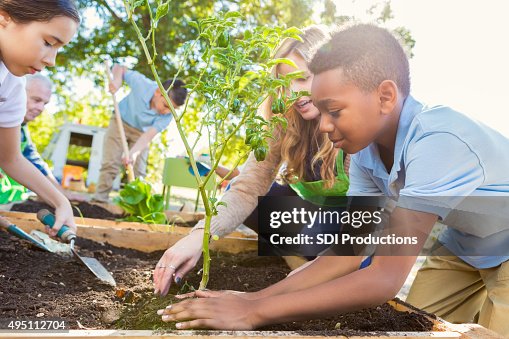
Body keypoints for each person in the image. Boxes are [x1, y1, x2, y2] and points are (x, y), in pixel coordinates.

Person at [157, 24, 509, 337]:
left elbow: (386, 276)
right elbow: (345, 254)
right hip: (464, 245)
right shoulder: (367, 155)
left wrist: (253, 312)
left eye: (334, 111)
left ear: (385, 96)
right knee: (417, 322)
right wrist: (253, 297)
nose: (324, 125)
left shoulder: (438, 141)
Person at [154, 26, 351, 297]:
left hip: (351, 225)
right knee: (253, 197)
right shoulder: (284, 123)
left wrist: (323, 269)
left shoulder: (353, 125)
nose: (294, 93)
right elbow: (248, 187)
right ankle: (296, 256)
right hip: (312, 222)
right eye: (285, 83)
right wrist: (198, 237)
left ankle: (311, 261)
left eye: (303, 78)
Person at [0, 0, 80, 236]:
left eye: (58, 49)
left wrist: (60, 202)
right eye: (48, 43)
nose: (51, 60)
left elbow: (10, 158)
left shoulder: (12, 85)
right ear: (4, 17)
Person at [92, 64, 188, 203]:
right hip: (120, 122)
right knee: (111, 163)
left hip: (141, 133)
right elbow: (119, 67)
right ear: (157, 92)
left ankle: (135, 206)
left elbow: (148, 136)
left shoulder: (167, 116)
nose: (167, 111)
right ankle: (99, 201)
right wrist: (117, 81)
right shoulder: (142, 84)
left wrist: (133, 153)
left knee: (139, 170)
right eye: (166, 106)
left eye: (172, 109)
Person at [0, 74, 87, 204]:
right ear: (18, 93)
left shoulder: (22, 129)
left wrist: (61, 195)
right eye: (36, 100)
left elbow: (36, 164)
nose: (41, 108)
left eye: (45, 103)